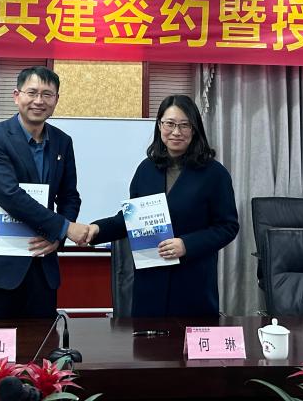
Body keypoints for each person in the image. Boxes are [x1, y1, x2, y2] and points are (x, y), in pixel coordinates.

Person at [88, 94, 238, 317]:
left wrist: (187, 244)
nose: (176, 132)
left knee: (187, 339)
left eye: (184, 125)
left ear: (195, 130)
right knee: (148, 339)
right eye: (170, 124)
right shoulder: (146, 169)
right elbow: (131, 218)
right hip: (150, 284)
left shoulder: (214, 174)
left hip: (193, 284)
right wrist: (97, 229)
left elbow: (227, 227)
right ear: (159, 126)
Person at [0, 66, 91, 318]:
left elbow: (69, 196)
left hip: (41, 266)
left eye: (47, 94)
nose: (39, 101)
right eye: (32, 92)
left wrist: (57, 239)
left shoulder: (63, 142)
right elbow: (10, 195)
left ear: (56, 100)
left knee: (40, 341)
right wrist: (65, 227)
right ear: (16, 95)